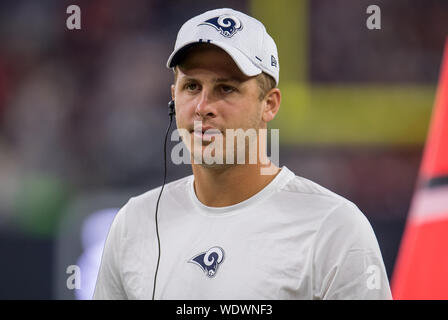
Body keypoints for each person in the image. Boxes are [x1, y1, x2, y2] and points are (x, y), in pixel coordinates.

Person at [93, 8, 392, 300]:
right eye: (192, 86)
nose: (202, 106)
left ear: (270, 104)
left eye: (226, 89)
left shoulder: (334, 229)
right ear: (173, 97)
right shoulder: (135, 224)